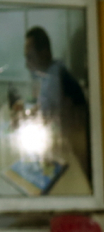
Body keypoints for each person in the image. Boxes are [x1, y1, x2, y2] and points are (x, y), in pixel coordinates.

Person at [23, 27, 90, 180]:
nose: (27, 64)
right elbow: (45, 108)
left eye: (30, 57)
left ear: (45, 53)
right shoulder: (54, 72)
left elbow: (44, 118)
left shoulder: (54, 80)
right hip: (68, 146)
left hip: (75, 155)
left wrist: (23, 119)